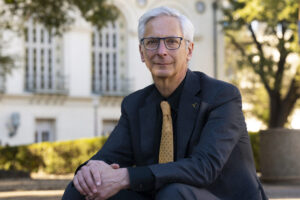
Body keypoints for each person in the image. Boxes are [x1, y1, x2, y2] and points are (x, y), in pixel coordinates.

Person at [63, 6, 267, 200]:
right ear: (142, 52)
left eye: (171, 41)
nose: (161, 51)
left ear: (189, 50)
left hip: (221, 196)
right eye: (152, 42)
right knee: (82, 189)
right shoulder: (134, 104)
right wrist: (89, 172)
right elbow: (107, 157)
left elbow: (204, 167)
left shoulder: (221, 96)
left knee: (173, 193)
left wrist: (125, 177)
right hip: (164, 195)